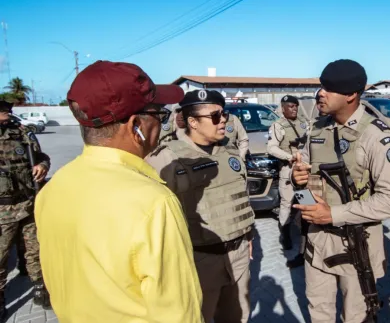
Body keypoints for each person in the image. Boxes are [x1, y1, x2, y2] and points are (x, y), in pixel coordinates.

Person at [34, 61, 203, 322]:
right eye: (160, 115)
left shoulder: (53, 188)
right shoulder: (154, 203)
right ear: (136, 126)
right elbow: (180, 314)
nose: (161, 126)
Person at [291, 59, 390, 323]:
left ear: (351, 95)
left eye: (329, 88)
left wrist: (332, 214)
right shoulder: (317, 129)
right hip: (317, 242)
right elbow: (304, 184)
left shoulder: (376, 136)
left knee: (356, 316)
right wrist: (298, 183)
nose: (321, 92)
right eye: (321, 86)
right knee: (318, 313)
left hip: (356, 245)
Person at [146, 89, 255, 323]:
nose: (223, 119)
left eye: (223, 114)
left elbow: (239, 196)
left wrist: (247, 236)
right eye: (215, 116)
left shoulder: (229, 150)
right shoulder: (166, 158)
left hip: (238, 256)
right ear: (193, 122)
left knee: (239, 317)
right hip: (199, 261)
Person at [0, 100, 51, 318]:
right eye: (2, 109)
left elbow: (42, 157)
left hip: (28, 203)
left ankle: (40, 288)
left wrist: (42, 166)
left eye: (8, 109)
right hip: (3, 210)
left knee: (35, 249)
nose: (7, 112)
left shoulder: (22, 132)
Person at [266, 95, 309, 264]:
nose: (294, 109)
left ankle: (306, 235)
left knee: (305, 201)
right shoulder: (278, 126)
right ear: (283, 108)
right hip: (288, 170)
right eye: (290, 106)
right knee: (287, 203)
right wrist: (289, 156)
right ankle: (285, 233)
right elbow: (271, 148)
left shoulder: (305, 122)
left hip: (304, 170)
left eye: (296, 106)